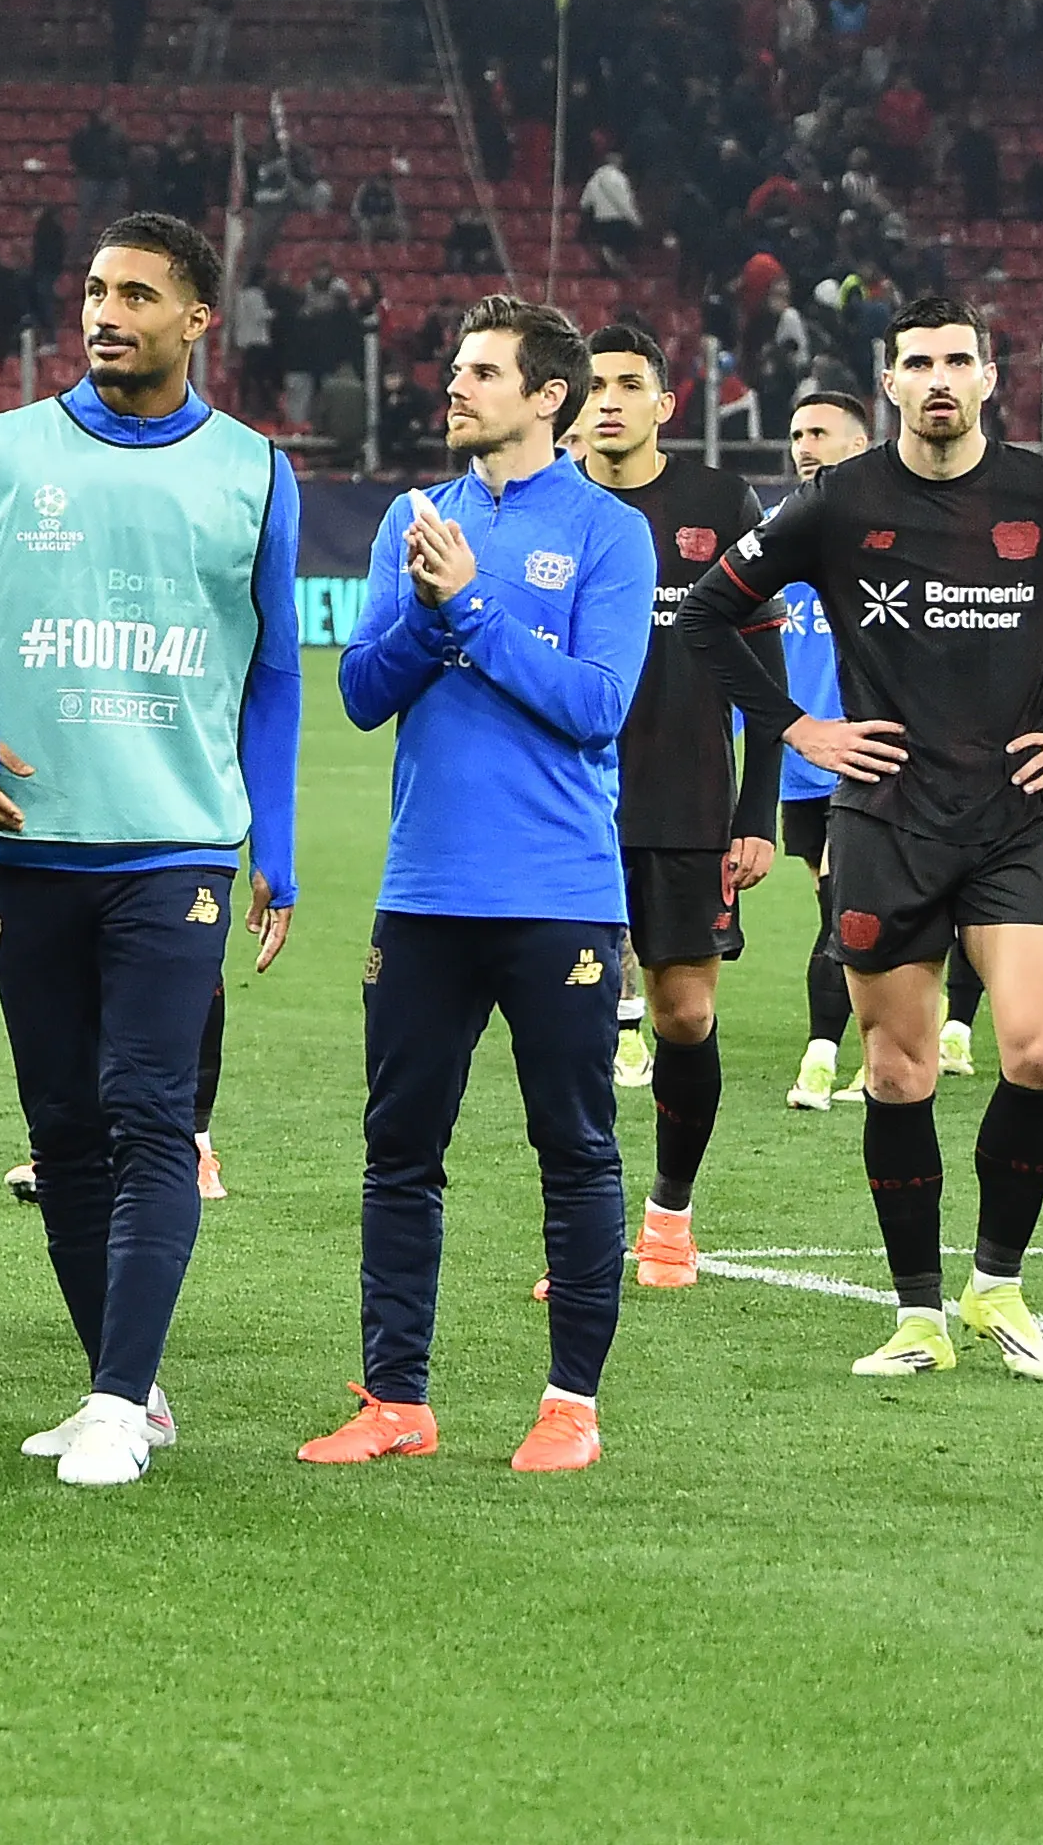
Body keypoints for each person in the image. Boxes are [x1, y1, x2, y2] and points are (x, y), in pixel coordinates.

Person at [0, 211, 300, 1487]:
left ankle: (118, 1397)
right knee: (61, 1129)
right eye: (93, 289)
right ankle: (126, 1384)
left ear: (195, 320)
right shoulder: (8, 449)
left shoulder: (254, 469)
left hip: (173, 844)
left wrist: (270, 840)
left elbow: (277, 667)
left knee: (145, 1114)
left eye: (135, 293)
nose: (104, 311)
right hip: (27, 844)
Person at [686, 299, 1043, 1382]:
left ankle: (996, 1280)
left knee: (1036, 1050)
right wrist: (799, 725)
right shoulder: (836, 501)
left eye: (958, 358)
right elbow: (706, 614)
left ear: (991, 376)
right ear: (890, 381)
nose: (938, 376)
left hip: (1009, 818)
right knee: (898, 1075)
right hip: (883, 822)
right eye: (917, 361)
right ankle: (915, 1315)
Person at [305, 299, 646, 1475]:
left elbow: (598, 704)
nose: (453, 387)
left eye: (481, 372)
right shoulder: (415, 516)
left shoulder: (608, 531)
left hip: (557, 890)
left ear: (547, 394)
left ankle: (571, 1404)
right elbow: (358, 689)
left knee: (575, 1147)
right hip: (424, 888)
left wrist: (470, 609)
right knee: (397, 1148)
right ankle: (394, 1395)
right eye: (454, 369)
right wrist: (430, 618)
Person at [571, 325, 780, 1284]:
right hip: (568, 805)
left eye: (629, 384)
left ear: (665, 404)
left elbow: (762, 665)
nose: (607, 399)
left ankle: (667, 1218)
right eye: (593, 385)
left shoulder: (715, 502)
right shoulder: (551, 504)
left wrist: (758, 815)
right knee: (567, 1025)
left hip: (691, 802)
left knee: (684, 1017)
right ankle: (579, 1237)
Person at [770, 391, 877, 1109]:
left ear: (859, 444)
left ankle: (824, 1055)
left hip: (868, 755)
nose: (804, 445)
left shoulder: (884, 528)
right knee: (833, 904)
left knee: (845, 905)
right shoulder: (778, 532)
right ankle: (896, 1034)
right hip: (797, 762)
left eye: (819, 433)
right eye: (796, 433)